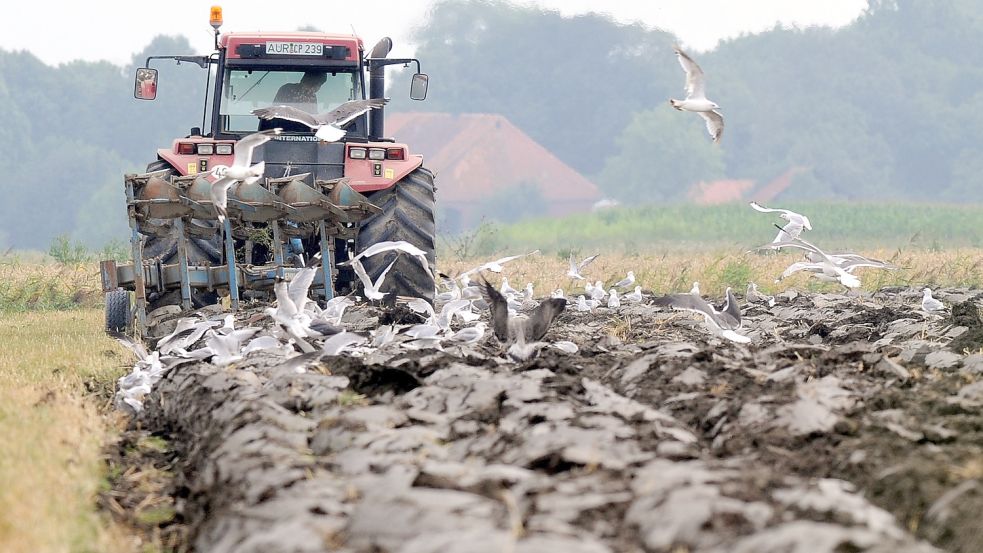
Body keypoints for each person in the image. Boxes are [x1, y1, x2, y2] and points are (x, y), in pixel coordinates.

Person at [258, 71, 327, 132]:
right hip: (280, 132)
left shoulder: (312, 97)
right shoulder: (287, 89)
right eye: (317, 84)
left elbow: (313, 118)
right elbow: (276, 111)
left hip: (304, 136)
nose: (312, 90)